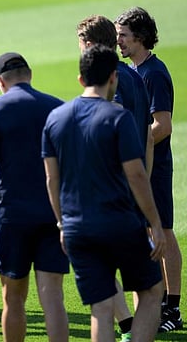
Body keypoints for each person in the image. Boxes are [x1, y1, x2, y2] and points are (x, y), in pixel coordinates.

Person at [42, 44, 165, 342]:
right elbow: (136, 174)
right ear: (113, 77)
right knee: (151, 292)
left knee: (101, 307)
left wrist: (61, 224)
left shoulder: (55, 118)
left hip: (76, 228)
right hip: (119, 223)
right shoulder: (117, 117)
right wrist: (155, 223)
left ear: (80, 79)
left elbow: (51, 180)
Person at [0, 52, 69, 342]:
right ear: (30, 74)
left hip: (13, 218)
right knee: (53, 299)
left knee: (13, 297)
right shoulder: (56, 108)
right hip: (53, 216)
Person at [76, 14, 153, 342]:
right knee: (144, 283)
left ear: (90, 44)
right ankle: (128, 325)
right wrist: (143, 181)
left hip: (110, 195)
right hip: (132, 189)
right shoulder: (134, 76)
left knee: (106, 278)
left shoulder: (110, 83)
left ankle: (127, 326)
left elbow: (107, 134)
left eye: (80, 44)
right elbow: (147, 137)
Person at [115, 7, 183, 334]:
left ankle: (172, 306)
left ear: (140, 37)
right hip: (141, 164)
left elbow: (163, 125)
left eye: (123, 36)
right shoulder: (133, 70)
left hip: (154, 167)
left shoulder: (153, 73)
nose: (118, 42)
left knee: (163, 231)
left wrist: (132, 148)